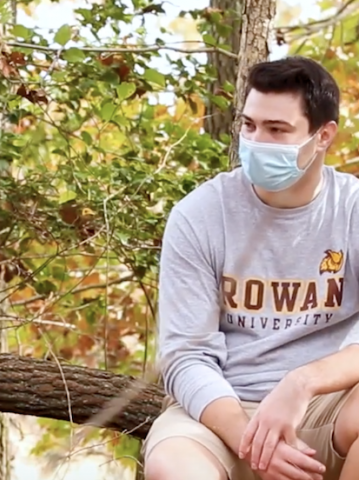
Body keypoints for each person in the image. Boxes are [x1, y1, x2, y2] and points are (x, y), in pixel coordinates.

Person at [143, 56, 359, 480]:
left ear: (323, 136)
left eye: (277, 130)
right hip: (222, 414)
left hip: (322, 408)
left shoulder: (352, 209)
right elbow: (186, 357)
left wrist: (303, 382)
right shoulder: (199, 215)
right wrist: (252, 441)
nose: (257, 141)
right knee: (172, 468)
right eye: (249, 125)